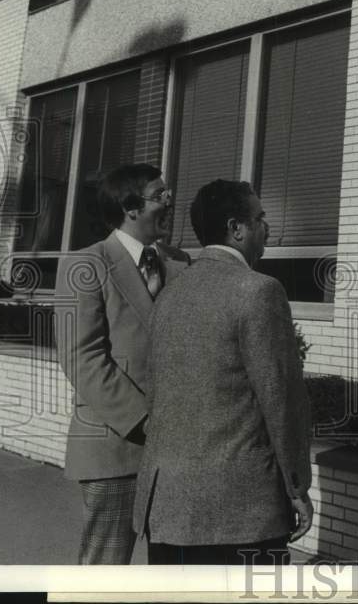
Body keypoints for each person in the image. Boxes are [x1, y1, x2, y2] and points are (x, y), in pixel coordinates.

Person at [133, 179, 313, 564]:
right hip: (238, 512)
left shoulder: (169, 294)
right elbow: (281, 400)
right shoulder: (260, 291)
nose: (267, 228)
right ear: (237, 229)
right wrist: (297, 485)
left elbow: (155, 391)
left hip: (165, 507)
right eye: (260, 218)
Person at [55, 163, 188, 564]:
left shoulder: (181, 263)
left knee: (174, 570)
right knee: (105, 570)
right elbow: (82, 357)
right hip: (117, 444)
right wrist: (146, 421)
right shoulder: (85, 264)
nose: (170, 201)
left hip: (180, 451)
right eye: (160, 194)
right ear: (130, 207)